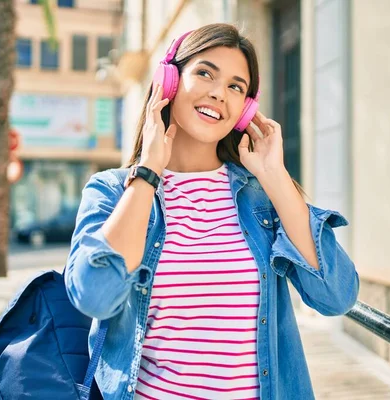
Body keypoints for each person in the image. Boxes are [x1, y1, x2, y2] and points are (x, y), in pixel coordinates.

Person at [65, 23, 359, 400]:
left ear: (245, 108)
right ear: (168, 82)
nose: (219, 93)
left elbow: (336, 296)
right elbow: (94, 295)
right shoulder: (112, 191)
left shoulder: (260, 199)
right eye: (205, 73)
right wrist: (149, 172)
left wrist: (275, 175)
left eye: (236, 87)